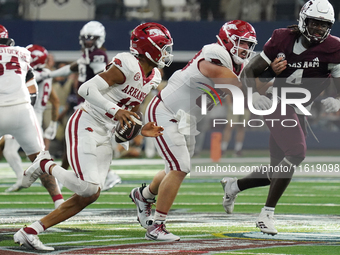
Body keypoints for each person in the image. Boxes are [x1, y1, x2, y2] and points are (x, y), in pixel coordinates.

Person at [13, 22, 172, 251]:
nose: (166, 52)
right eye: (163, 46)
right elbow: (86, 89)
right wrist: (116, 111)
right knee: (87, 188)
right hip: (86, 122)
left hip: (106, 130)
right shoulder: (126, 65)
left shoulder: (154, 76)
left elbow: (130, 109)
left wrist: (140, 127)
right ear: (149, 48)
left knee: (91, 194)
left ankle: (30, 231)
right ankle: (45, 163)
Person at [129, 20, 258, 241]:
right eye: (242, 43)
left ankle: (144, 195)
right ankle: (157, 226)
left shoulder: (237, 65)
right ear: (227, 40)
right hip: (165, 111)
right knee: (180, 166)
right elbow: (228, 80)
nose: (246, 49)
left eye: (249, 45)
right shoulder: (214, 53)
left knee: (176, 168)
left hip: (186, 119)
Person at [221, 0, 340, 235]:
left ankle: (234, 186)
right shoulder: (282, 38)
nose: (318, 31)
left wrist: (337, 98)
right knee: (297, 152)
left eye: (323, 26)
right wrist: (253, 95)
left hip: (298, 108)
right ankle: (267, 214)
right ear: (303, 21)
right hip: (276, 102)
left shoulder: (334, 47)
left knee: (278, 170)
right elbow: (249, 70)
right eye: (314, 24)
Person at [41, 20, 121, 191]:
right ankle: (106, 175)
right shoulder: (88, 55)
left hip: (91, 106)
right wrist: (49, 75)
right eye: (86, 38)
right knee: (77, 144)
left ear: (99, 39)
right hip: (84, 104)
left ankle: (104, 175)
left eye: (91, 39)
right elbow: (71, 68)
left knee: (77, 144)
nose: (88, 42)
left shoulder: (98, 55)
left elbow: (103, 79)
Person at [0, 25, 64, 207]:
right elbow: (31, 84)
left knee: (11, 151)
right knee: (41, 159)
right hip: (22, 110)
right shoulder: (21, 53)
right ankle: (59, 202)